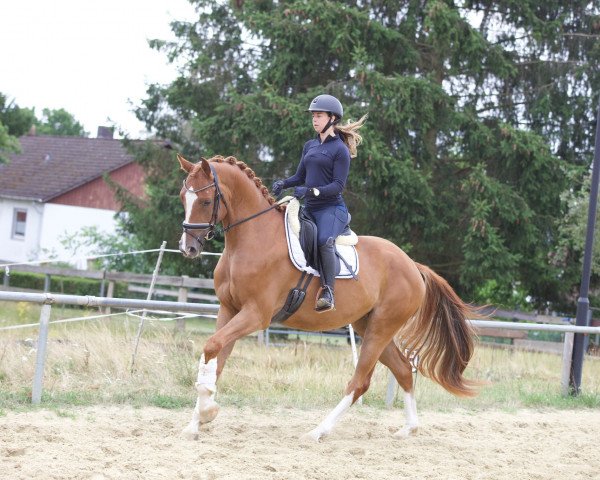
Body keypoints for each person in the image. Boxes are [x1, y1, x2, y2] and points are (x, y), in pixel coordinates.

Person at [272, 94, 366, 312]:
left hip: (331, 209)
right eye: (313, 116)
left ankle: (328, 291)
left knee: (324, 240)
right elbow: (300, 176)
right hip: (311, 209)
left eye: (319, 116)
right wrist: (283, 183)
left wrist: (310, 191)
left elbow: (337, 186)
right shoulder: (310, 146)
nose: (314, 120)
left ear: (332, 118)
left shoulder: (340, 150)